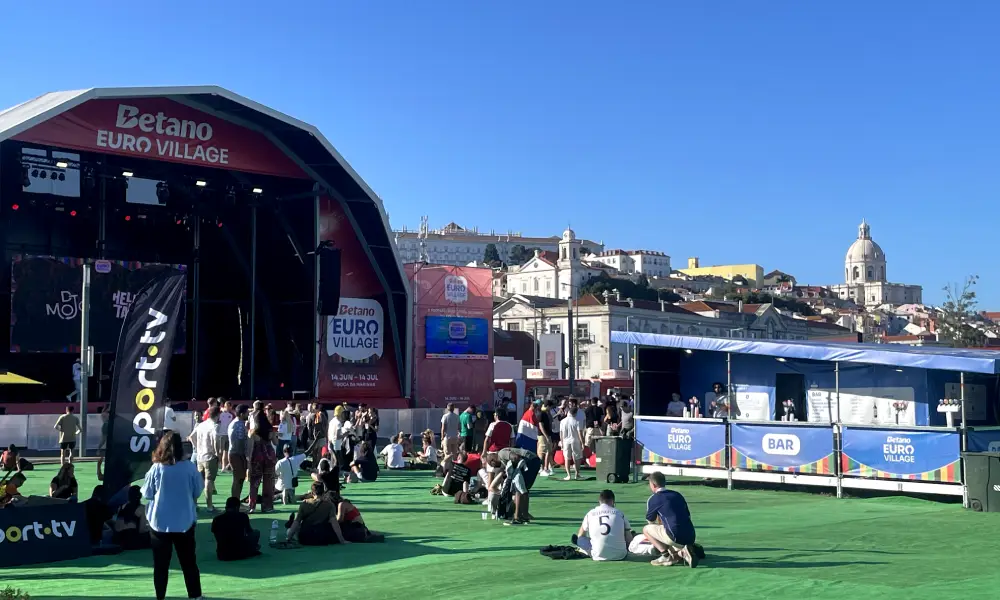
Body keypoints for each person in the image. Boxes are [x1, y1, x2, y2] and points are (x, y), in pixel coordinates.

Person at [141, 432, 205, 600]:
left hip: (159, 524)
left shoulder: (156, 468)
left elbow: (147, 493)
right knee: (189, 562)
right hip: (185, 522)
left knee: (161, 566)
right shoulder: (190, 467)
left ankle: (160, 597)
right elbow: (197, 491)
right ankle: (195, 596)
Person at [643, 471, 699, 567]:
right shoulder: (677, 495)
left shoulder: (653, 499)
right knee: (668, 529)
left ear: (653, 484)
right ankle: (682, 552)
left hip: (675, 536)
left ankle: (666, 556)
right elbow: (688, 516)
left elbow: (651, 522)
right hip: (691, 536)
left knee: (646, 530)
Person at [573, 489, 633, 561]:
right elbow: (629, 539)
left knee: (579, 539)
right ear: (613, 501)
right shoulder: (620, 513)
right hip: (620, 555)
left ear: (599, 501)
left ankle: (589, 550)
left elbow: (581, 535)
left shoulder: (590, 513)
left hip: (597, 555)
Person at [286, 481, 349, 546]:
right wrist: (342, 540)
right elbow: (334, 523)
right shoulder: (329, 505)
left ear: (312, 492)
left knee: (290, 530)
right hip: (321, 538)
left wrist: (288, 538)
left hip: (305, 538)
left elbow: (297, 522)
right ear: (323, 492)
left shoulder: (304, 504)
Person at [497, 446, 541, 525]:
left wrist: (514, 473)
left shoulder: (501, 453)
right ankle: (524, 515)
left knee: (518, 489)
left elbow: (515, 457)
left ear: (492, 460)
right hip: (534, 460)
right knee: (524, 489)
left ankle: (517, 517)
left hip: (528, 461)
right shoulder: (503, 458)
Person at [212, 496, 261, 561]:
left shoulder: (217, 519)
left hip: (222, 555)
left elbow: (216, 535)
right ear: (237, 507)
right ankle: (252, 548)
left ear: (226, 507)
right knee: (256, 533)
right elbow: (249, 531)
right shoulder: (243, 516)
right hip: (240, 553)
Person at [190, 405, 220, 512]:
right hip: (209, 456)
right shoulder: (214, 426)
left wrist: (198, 447)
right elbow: (215, 440)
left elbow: (192, 436)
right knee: (209, 481)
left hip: (200, 456)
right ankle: (209, 506)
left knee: (200, 481)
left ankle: (194, 503)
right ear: (218, 415)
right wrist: (217, 453)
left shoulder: (201, 425)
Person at [247, 416, 277, 514]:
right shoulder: (270, 430)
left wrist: (249, 463)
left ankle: (252, 506)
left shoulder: (252, 432)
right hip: (269, 457)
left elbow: (250, 449)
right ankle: (267, 506)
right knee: (268, 483)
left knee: (254, 483)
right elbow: (276, 443)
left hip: (257, 458)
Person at [112, 485, 152, 550]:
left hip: (118, 539)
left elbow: (115, 522)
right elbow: (142, 529)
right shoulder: (142, 509)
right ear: (140, 496)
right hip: (131, 540)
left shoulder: (121, 507)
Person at [228, 404, 251, 501]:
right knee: (238, 479)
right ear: (242, 414)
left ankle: (236, 501)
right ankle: (235, 501)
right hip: (237, 454)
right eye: (247, 413)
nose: (248, 415)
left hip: (236, 454)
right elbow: (240, 441)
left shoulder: (236, 423)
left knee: (239, 479)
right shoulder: (239, 425)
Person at [560, 405, 586, 481]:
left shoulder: (562, 421)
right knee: (577, 458)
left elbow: (561, 434)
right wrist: (583, 443)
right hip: (575, 440)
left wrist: (561, 442)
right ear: (575, 413)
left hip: (565, 441)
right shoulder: (577, 421)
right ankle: (577, 474)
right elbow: (579, 433)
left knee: (567, 458)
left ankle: (568, 475)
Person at [536, 403, 554, 477]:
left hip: (547, 435)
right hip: (542, 436)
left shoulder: (547, 413)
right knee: (543, 452)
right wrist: (546, 436)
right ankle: (542, 468)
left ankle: (546, 468)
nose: (551, 408)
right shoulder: (541, 414)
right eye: (550, 406)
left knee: (548, 451)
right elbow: (541, 426)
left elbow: (551, 420)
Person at [217, 400, 234, 472]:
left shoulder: (231, 415)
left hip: (228, 435)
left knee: (226, 451)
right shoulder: (220, 414)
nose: (228, 408)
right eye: (226, 406)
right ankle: (218, 464)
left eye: (229, 406)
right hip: (221, 434)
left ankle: (224, 467)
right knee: (220, 451)